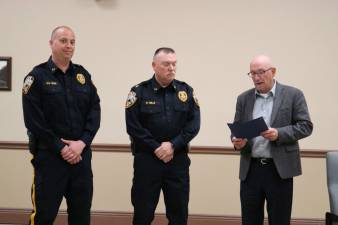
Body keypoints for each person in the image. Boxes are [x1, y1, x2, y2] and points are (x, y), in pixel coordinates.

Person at [22, 26, 101, 225]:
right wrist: (61, 148)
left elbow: (94, 112)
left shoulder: (83, 76)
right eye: (63, 40)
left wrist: (82, 143)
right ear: (51, 43)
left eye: (72, 41)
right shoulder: (36, 77)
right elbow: (34, 120)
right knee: (43, 216)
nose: (69, 46)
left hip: (81, 158)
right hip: (50, 159)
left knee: (81, 216)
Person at [231, 55, 313, 225]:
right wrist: (237, 141)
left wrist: (279, 134)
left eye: (260, 72)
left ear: (273, 72)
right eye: (252, 73)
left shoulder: (293, 95)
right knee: (250, 220)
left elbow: (306, 126)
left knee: (279, 220)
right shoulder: (243, 99)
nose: (256, 77)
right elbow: (237, 129)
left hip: (279, 170)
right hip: (250, 170)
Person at [125, 47, 200, 225]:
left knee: (178, 214)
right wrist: (157, 147)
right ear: (154, 66)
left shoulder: (186, 91)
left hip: (177, 161)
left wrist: (172, 145)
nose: (171, 68)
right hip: (147, 161)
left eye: (174, 64)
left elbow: (193, 125)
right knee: (143, 213)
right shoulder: (139, 92)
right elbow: (133, 127)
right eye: (166, 64)